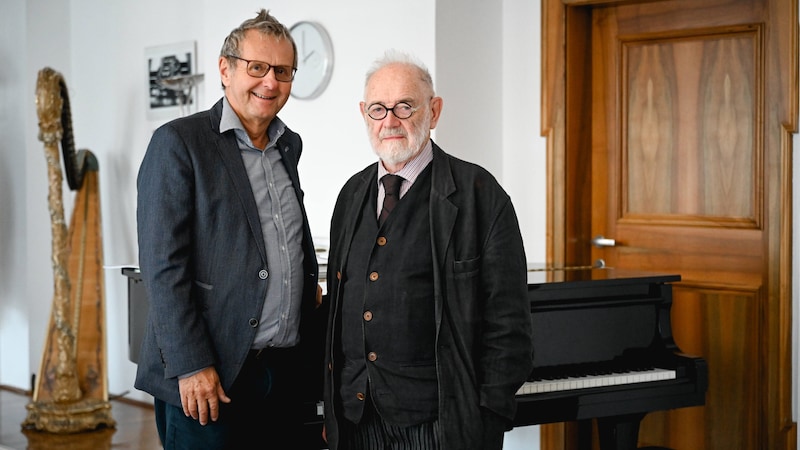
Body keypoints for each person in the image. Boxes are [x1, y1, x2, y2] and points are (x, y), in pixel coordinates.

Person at [322, 50, 534, 450]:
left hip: (442, 425)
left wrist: (486, 417)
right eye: (378, 109)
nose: (390, 121)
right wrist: (333, 411)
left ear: (433, 112)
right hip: (357, 421)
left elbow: (510, 326)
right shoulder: (350, 195)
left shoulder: (480, 195)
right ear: (364, 114)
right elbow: (338, 313)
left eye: (405, 106)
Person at [135, 9, 323, 450]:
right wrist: (191, 364)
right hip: (211, 376)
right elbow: (163, 267)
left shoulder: (288, 144)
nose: (270, 82)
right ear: (226, 68)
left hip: (282, 372)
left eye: (282, 71)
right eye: (257, 68)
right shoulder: (178, 143)